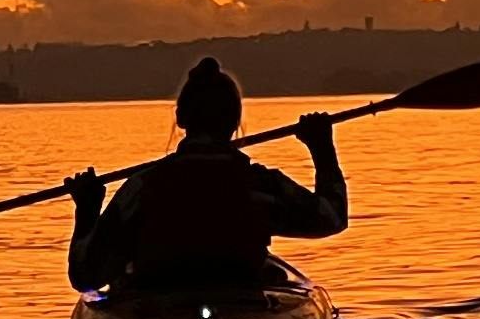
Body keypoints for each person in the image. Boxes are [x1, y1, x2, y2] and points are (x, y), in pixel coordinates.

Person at [68, 56, 345, 297]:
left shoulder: (141, 188)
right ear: (235, 121)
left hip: (156, 304)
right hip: (241, 306)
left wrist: (88, 211)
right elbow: (332, 217)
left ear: (181, 118)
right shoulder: (260, 184)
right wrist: (322, 149)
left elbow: (85, 276)